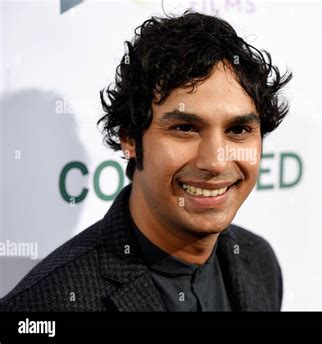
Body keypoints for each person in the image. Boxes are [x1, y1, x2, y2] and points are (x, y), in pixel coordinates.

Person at [0, 10, 292, 311]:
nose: (216, 162)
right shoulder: (45, 305)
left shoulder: (259, 262)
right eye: (185, 128)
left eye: (238, 130)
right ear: (130, 139)